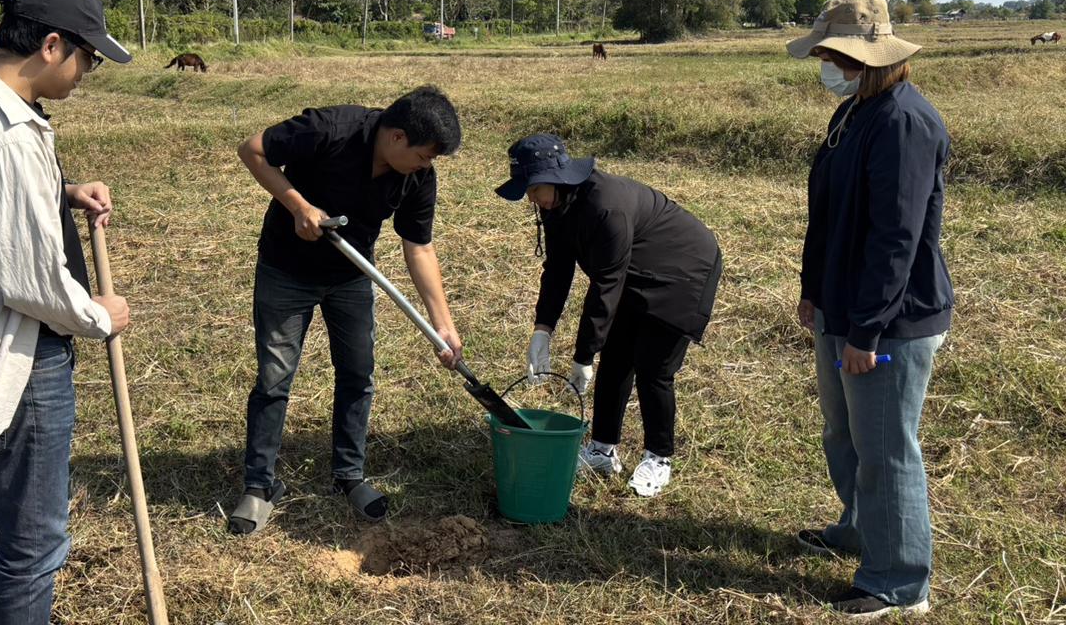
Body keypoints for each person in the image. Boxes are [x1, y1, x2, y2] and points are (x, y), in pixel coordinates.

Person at [0, 0, 133, 624]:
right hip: (22, 359)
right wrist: (98, 315)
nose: (86, 73)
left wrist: (61, 193)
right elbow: (29, 281)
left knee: (1, 517)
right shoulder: (4, 136)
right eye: (88, 58)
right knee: (35, 543)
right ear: (51, 45)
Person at [229, 86, 464, 535]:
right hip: (286, 271)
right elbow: (252, 150)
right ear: (396, 137)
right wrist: (299, 206)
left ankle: (349, 475)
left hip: (352, 278)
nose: (425, 166)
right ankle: (259, 486)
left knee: (358, 374)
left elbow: (419, 247)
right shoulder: (331, 129)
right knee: (275, 378)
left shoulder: (417, 176)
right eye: (422, 156)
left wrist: (443, 324)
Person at [787, 0, 953, 618]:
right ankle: (859, 528)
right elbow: (827, 213)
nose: (825, 66)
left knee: (885, 447)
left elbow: (896, 239)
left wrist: (867, 331)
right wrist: (813, 290)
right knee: (845, 433)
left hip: (890, 319)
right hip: (842, 302)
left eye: (831, 56)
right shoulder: (854, 113)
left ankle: (898, 580)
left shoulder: (905, 123)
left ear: (864, 58)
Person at [495, 134, 721, 498]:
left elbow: (605, 286)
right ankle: (602, 449)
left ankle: (658, 457)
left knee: (653, 366)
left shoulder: (605, 207)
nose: (531, 199)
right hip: (632, 270)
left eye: (533, 189)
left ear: (556, 178)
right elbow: (558, 270)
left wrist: (583, 355)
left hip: (683, 269)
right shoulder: (555, 206)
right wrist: (542, 329)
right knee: (615, 359)